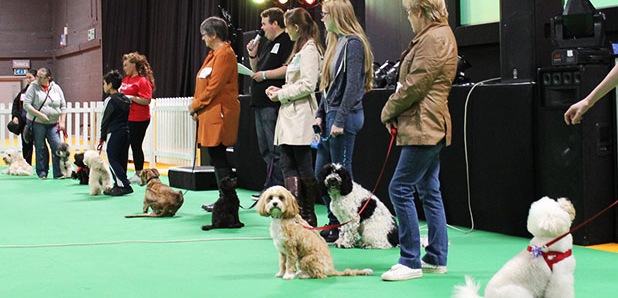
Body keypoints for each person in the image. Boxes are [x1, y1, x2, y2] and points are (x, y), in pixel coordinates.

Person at [379, 0, 457, 281]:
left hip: (426, 125)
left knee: (400, 188)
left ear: (420, 12)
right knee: (428, 190)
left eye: (409, 12)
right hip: (427, 123)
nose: (408, 18)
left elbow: (415, 84)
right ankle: (435, 257)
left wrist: (388, 110)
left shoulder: (434, 38)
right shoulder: (436, 35)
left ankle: (410, 260)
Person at [315, 0, 374, 241]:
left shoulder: (354, 44)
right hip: (332, 115)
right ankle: (335, 221)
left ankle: (341, 226)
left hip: (344, 117)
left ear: (337, 16)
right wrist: (320, 113)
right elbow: (328, 86)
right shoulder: (336, 43)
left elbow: (352, 87)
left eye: (325, 14)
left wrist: (338, 119)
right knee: (322, 172)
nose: (322, 18)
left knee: (342, 176)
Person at [265, 7, 324, 227]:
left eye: (287, 26)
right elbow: (298, 82)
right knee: (288, 165)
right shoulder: (301, 48)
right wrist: (279, 90)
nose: (286, 31)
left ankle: (307, 215)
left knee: (302, 165)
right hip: (291, 115)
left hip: (300, 116)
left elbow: (309, 84)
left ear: (296, 27)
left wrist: (281, 93)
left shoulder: (309, 50)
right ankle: (295, 215)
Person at [189, 17, 240, 205]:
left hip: (219, 113)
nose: (202, 39)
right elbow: (203, 83)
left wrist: (196, 105)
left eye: (204, 35)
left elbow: (215, 86)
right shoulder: (214, 55)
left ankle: (227, 200)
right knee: (216, 156)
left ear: (213, 35)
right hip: (209, 112)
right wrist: (198, 106)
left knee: (219, 156)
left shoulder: (225, 54)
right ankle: (225, 199)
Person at [246, 7, 295, 197]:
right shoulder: (268, 43)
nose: (262, 28)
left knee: (275, 149)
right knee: (265, 149)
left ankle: (278, 188)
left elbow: (288, 68)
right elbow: (256, 68)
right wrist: (252, 55)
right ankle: (270, 188)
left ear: (275, 24)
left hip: (272, 103)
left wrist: (264, 75)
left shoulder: (286, 42)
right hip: (260, 102)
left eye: (264, 23)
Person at [23, 68, 67, 179]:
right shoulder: (33, 87)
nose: (38, 79)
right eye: (37, 76)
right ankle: (42, 173)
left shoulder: (56, 88)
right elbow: (26, 105)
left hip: (53, 123)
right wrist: (40, 115)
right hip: (38, 123)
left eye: (41, 77)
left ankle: (58, 173)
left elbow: (63, 106)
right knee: (40, 147)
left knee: (57, 146)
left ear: (48, 78)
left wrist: (62, 121)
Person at [119, 52, 155, 183]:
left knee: (135, 145)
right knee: (124, 145)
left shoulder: (142, 81)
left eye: (126, 65)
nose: (124, 68)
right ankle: (122, 173)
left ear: (134, 65)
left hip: (139, 118)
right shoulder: (125, 80)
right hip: (126, 118)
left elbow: (147, 100)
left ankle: (139, 173)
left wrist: (132, 98)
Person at [99, 70, 133, 196]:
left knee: (112, 159)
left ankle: (122, 184)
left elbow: (105, 120)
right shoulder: (125, 99)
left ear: (109, 85)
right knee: (122, 159)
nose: (103, 87)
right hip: (126, 132)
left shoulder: (110, 100)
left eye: (104, 84)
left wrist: (102, 137)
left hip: (114, 132)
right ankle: (120, 183)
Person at [10, 69, 37, 164]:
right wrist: (15, 116)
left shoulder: (39, 91)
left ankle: (41, 167)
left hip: (38, 122)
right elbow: (16, 105)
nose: (28, 80)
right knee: (26, 145)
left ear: (36, 78)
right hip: (25, 123)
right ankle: (27, 165)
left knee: (40, 146)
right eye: (27, 78)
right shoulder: (23, 92)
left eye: (30, 77)